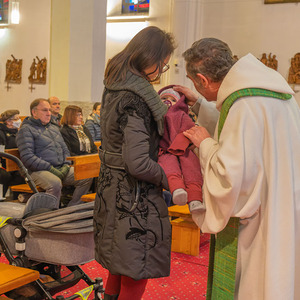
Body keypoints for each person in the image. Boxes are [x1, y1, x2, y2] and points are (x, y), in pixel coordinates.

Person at [181, 38, 300, 299]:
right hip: (285, 204)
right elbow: (241, 134)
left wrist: (205, 145)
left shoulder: (244, 104)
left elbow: (231, 176)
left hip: (260, 220)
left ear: (203, 79)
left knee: (258, 282)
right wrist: (200, 105)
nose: (197, 90)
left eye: (195, 84)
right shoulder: (270, 89)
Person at [93, 26, 175, 300]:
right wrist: (171, 179)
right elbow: (138, 162)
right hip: (133, 198)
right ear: (147, 57)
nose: (159, 72)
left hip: (113, 188)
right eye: (161, 66)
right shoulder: (135, 98)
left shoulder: (115, 86)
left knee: (120, 264)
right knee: (135, 267)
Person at [16, 99, 93, 207]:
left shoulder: (53, 127)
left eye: (49, 110)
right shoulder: (26, 130)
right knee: (55, 183)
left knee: (86, 175)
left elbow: (65, 149)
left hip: (59, 167)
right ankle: (51, 214)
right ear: (34, 112)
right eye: (45, 110)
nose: (49, 113)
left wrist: (66, 165)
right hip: (36, 170)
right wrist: (50, 168)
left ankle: (73, 208)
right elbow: (28, 158)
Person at [158, 86, 205, 213]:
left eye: (172, 99)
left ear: (178, 103)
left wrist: (181, 144)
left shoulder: (181, 115)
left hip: (183, 149)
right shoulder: (156, 115)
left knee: (192, 169)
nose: (167, 101)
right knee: (169, 168)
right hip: (165, 151)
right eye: (163, 98)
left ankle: (195, 200)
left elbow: (189, 130)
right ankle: (177, 190)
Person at [0, 110, 25, 198]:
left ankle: (17, 199)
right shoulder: (1, 133)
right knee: (5, 176)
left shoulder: (17, 132)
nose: (19, 121)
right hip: (2, 164)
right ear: (8, 121)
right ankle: (1, 197)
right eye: (16, 119)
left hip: (14, 164)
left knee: (21, 174)